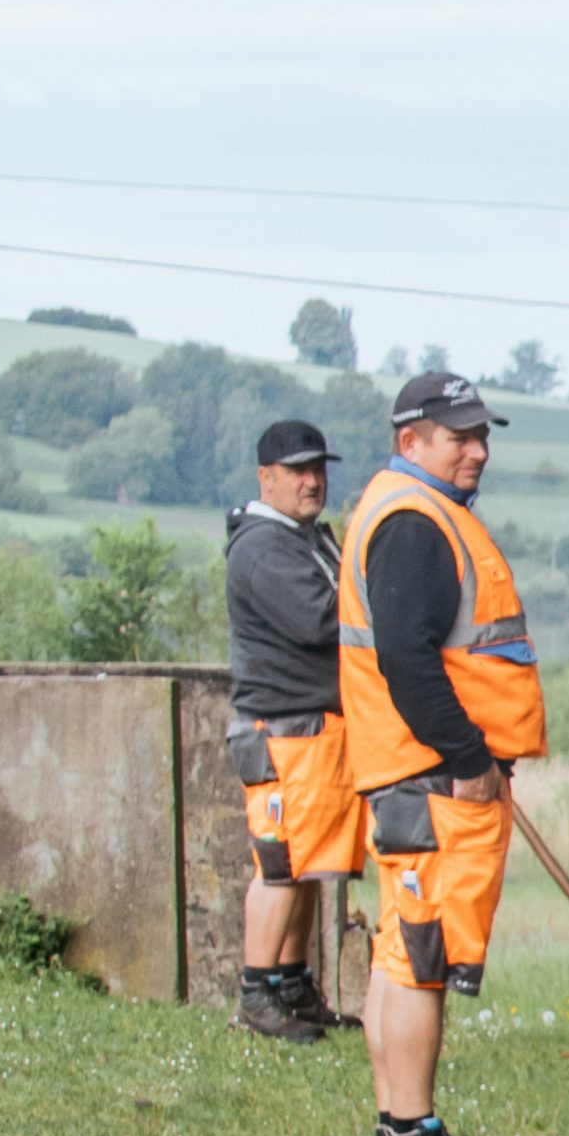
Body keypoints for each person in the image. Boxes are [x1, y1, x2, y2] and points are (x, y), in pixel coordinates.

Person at [330, 368, 542, 1136]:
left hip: (406, 772)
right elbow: (409, 662)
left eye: (483, 435)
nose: (478, 450)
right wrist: (470, 758)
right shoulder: (415, 523)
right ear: (409, 439)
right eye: (460, 436)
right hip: (432, 776)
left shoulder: (405, 510)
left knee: (399, 953)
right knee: (423, 960)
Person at [218, 417, 354, 1040]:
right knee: (279, 866)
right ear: (265, 478)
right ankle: (255, 994)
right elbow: (321, 621)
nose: (312, 481)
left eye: (319, 469)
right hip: (283, 733)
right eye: (299, 471)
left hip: (310, 728)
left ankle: (292, 986)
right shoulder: (262, 548)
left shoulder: (301, 538)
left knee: (302, 865)